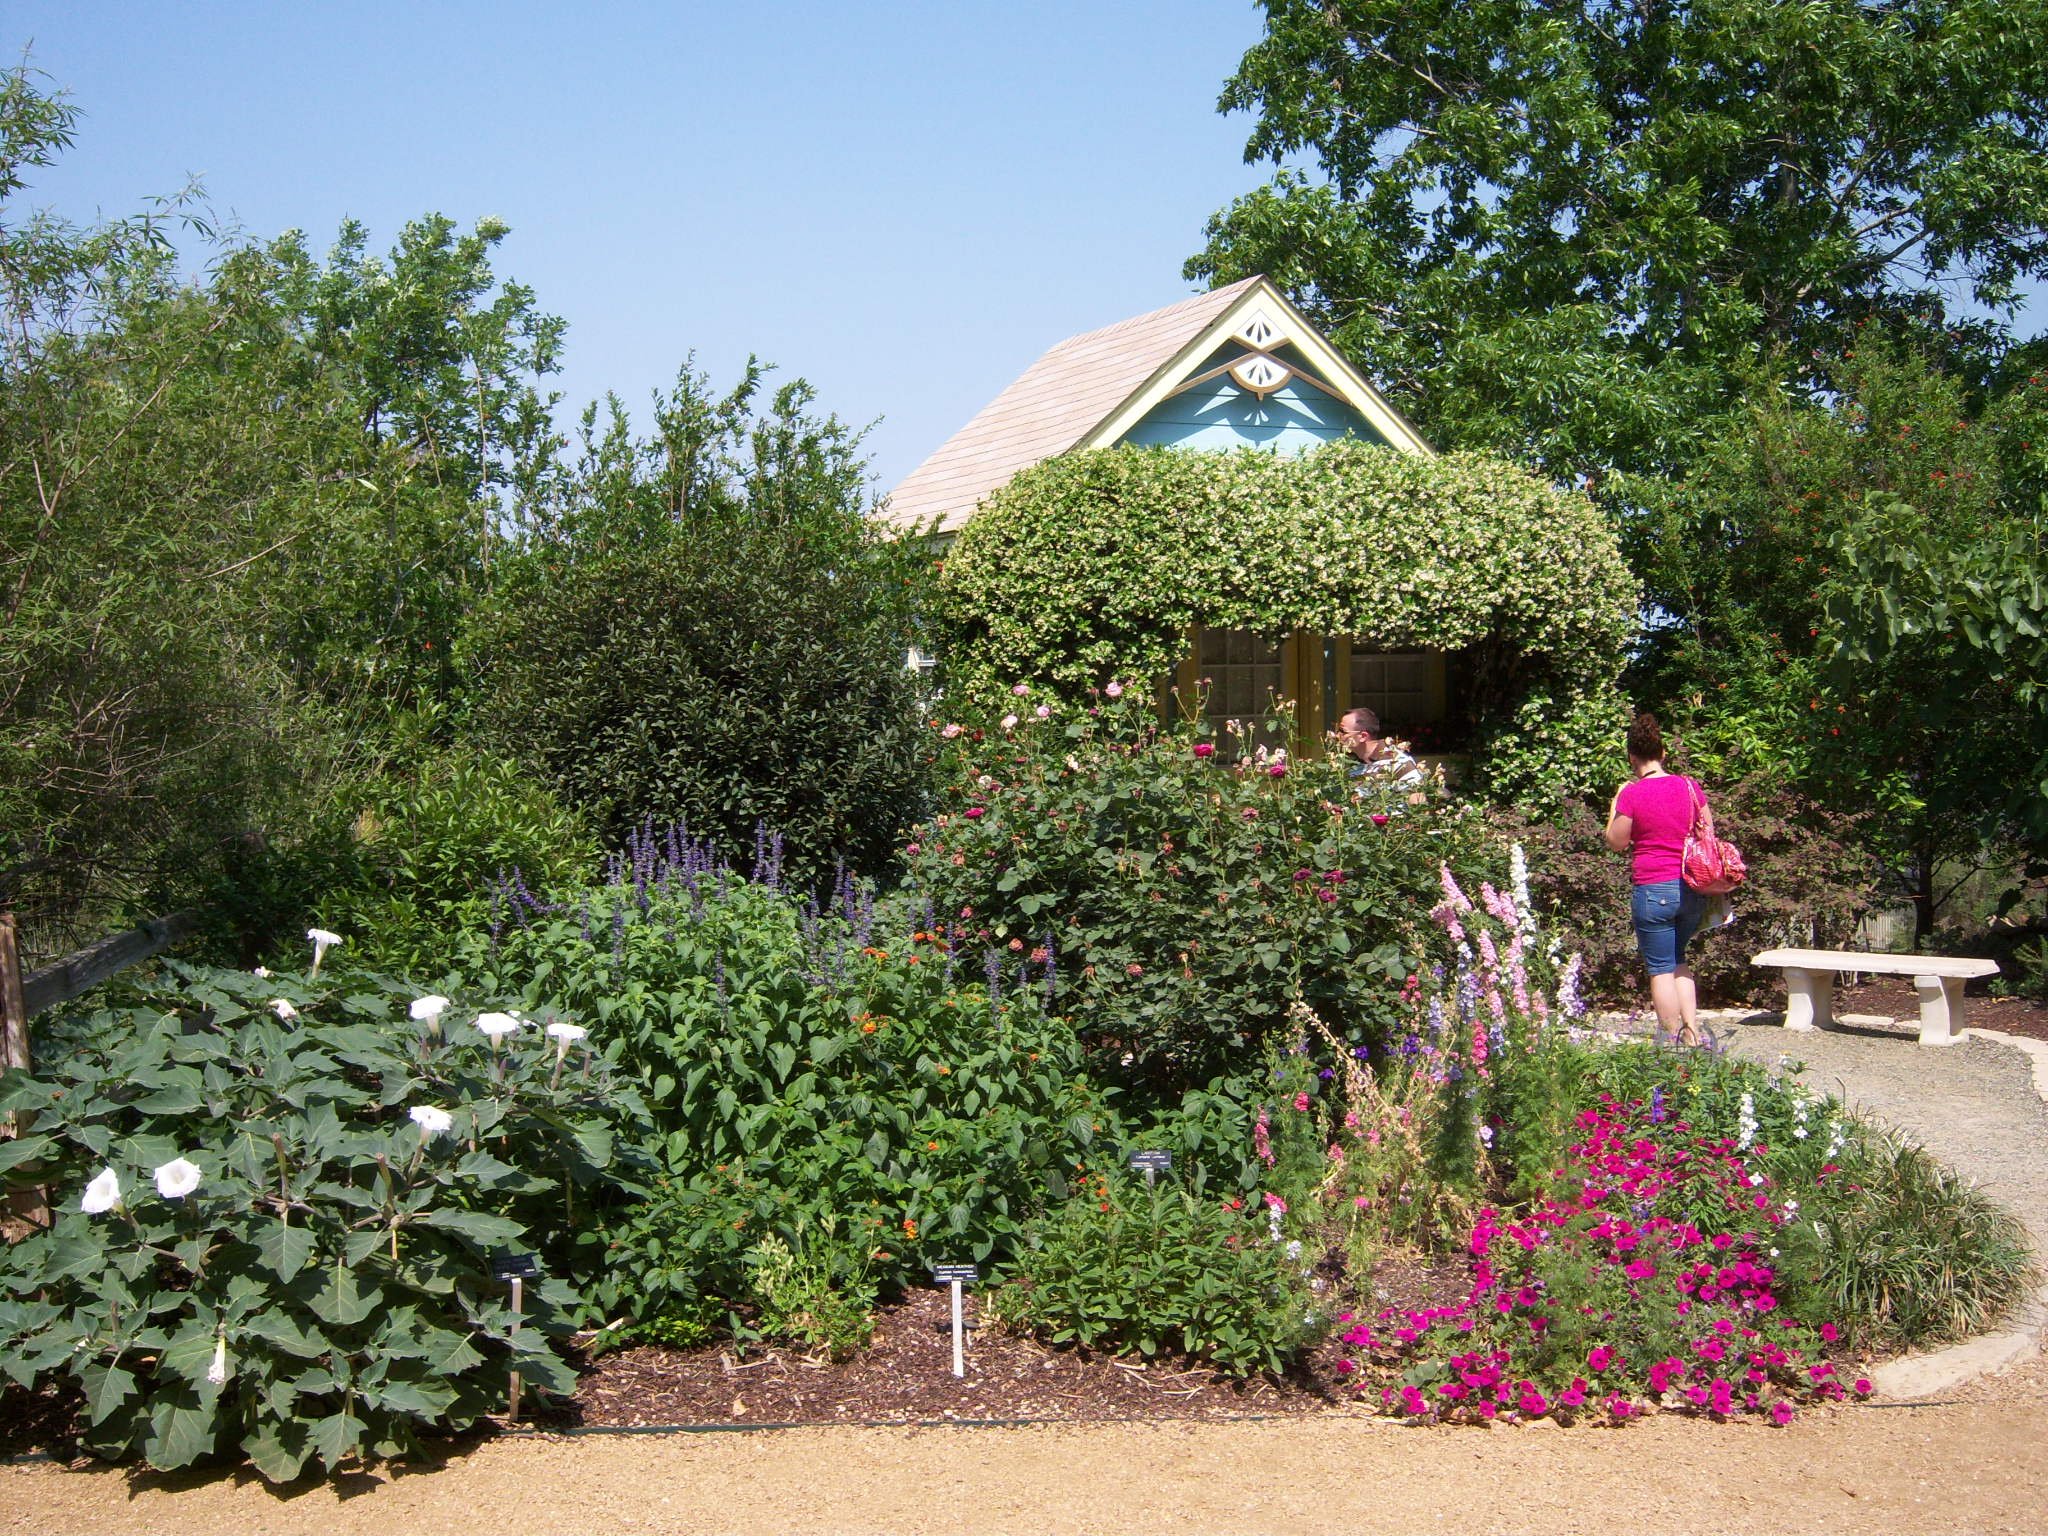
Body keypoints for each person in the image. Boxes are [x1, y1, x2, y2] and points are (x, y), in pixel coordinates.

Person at [1603, 712, 1711, 1046]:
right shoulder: (1689, 786)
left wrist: (1615, 803)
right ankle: (1692, 1034)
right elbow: (1707, 832)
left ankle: (1671, 1043)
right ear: (1663, 753)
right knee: (1679, 960)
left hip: (1653, 889)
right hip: (1691, 889)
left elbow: (1616, 841)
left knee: (1661, 968)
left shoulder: (1632, 794)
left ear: (1631, 757)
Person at [1335, 706, 1426, 794]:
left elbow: (1417, 804)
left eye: (1343, 731)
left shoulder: (1397, 761)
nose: (1337, 735)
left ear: (1363, 736)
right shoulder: (1350, 763)